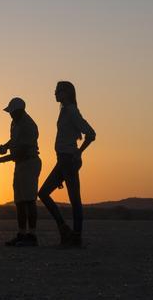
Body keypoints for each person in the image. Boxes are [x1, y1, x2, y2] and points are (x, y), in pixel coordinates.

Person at [37, 80, 95, 247]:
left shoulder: (71, 111)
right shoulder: (65, 111)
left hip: (69, 159)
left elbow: (91, 133)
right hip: (63, 160)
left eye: (57, 91)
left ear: (66, 93)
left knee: (74, 198)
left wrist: (79, 151)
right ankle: (65, 230)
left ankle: (75, 236)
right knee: (43, 193)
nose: (54, 93)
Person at [0, 96, 41, 246]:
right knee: (19, 201)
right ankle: (22, 234)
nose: (10, 114)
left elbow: (22, 151)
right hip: (21, 165)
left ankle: (32, 236)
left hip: (29, 163)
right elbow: (14, 142)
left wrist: (0, 160)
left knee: (29, 200)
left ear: (19, 111)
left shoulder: (29, 126)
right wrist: (3, 147)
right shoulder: (16, 123)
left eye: (11, 112)